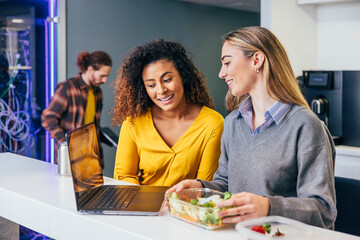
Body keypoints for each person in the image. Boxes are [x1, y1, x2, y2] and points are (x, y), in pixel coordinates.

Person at [167, 26, 337, 229]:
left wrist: (267, 206)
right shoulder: (232, 123)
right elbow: (226, 184)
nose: (222, 73)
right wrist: (200, 186)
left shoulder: (305, 125)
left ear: (257, 60)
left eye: (227, 63)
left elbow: (323, 211)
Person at [112, 39, 224, 187]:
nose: (161, 90)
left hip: (188, 207)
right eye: (151, 85)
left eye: (167, 79)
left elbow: (205, 185)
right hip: (142, 207)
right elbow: (124, 176)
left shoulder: (212, 123)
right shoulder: (133, 122)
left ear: (183, 76)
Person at [41, 51, 112, 167]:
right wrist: (64, 142)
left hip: (91, 157)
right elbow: (48, 118)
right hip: (70, 158)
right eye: (102, 76)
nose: (105, 80)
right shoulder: (67, 88)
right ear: (90, 70)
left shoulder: (98, 92)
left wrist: (110, 140)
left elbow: (93, 125)